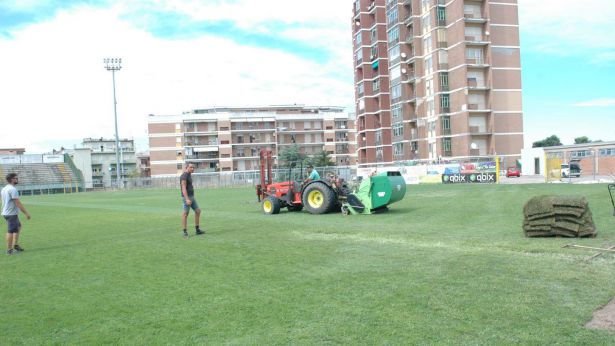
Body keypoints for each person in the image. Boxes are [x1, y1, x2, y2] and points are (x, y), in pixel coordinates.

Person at [1, 173, 31, 255]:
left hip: (8, 213)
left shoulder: (4, 188)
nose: (17, 179)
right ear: (11, 179)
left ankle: (15, 245)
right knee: (10, 231)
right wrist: (26, 213)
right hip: (11, 214)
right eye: (15, 178)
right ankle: (9, 249)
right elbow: (18, 203)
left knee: (18, 226)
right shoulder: (12, 189)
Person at [180, 164, 204, 237]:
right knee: (185, 214)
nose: (192, 168)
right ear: (187, 168)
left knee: (198, 211)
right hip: (187, 197)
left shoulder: (189, 175)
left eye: (193, 167)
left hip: (191, 197)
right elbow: (183, 188)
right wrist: (187, 199)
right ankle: (185, 232)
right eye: (191, 167)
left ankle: (197, 230)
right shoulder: (184, 176)